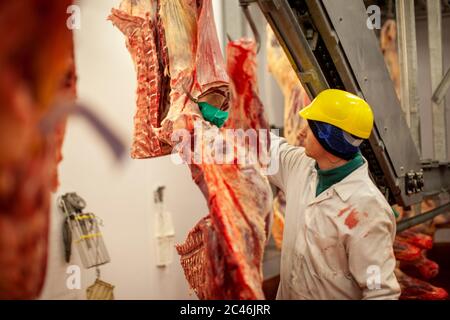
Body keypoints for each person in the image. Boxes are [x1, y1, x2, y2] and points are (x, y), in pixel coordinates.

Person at [268, 89, 400, 299]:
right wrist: (217, 123)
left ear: (328, 138)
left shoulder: (367, 209)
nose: (303, 133)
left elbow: (380, 291)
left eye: (311, 128)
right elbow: (264, 148)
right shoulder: (300, 166)